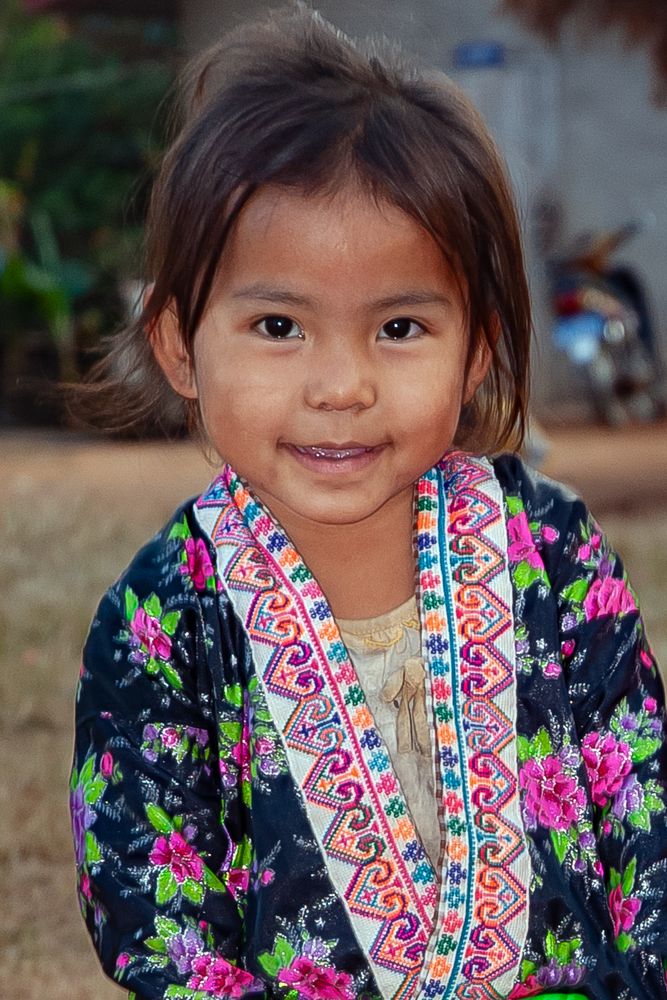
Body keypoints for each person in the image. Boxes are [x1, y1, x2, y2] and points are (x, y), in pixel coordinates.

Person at [70, 8, 667, 999]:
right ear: (178, 344)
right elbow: (154, 916)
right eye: (276, 324)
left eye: (398, 325)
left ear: (474, 348)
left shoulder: (550, 552)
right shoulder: (158, 622)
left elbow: (643, 811)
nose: (340, 384)